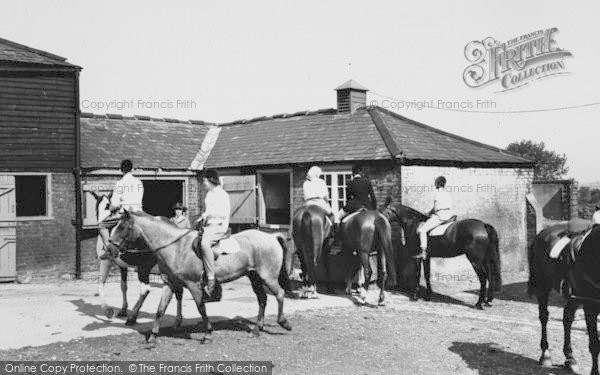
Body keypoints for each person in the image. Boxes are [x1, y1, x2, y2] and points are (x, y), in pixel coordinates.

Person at [193, 169, 230, 297]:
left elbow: (223, 213)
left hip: (219, 225)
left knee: (204, 244)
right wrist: (202, 217)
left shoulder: (223, 194)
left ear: (210, 180)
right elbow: (208, 210)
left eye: (204, 180)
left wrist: (208, 214)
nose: (203, 183)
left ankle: (211, 277)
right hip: (208, 225)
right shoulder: (209, 194)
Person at [98, 159, 144, 260]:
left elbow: (115, 204)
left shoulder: (120, 183)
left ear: (121, 170)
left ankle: (109, 250)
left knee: (102, 224)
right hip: (139, 212)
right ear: (132, 169)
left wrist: (110, 208)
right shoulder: (139, 182)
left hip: (126, 213)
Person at [414, 176, 453, 260]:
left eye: (435, 182)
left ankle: (423, 252)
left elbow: (435, 208)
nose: (434, 184)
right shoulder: (447, 193)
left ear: (437, 183)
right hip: (449, 214)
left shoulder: (438, 193)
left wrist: (428, 213)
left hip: (440, 216)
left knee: (422, 230)